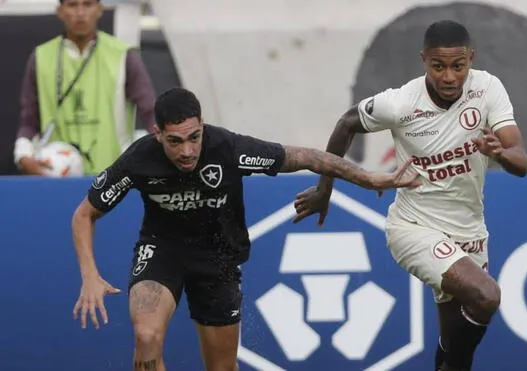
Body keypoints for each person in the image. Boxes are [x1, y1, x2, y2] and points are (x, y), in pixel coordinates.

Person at [70, 87, 420, 371]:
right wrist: (89, 275)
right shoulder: (139, 159)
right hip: (163, 251)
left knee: (221, 368)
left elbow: (309, 157)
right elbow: (84, 215)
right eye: (175, 141)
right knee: (146, 336)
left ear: (203, 125)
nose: (188, 151)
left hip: (218, 257)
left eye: (194, 137)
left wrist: (367, 177)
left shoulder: (228, 149)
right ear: (157, 133)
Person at [293, 20, 527, 371]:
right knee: (486, 296)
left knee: (454, 344)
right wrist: (324, 189)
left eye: (458, 66)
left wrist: (499, 154)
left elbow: (521, 162)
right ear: (424, 61)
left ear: (471, 60)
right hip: (413, 227)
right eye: (438, 66)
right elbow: (346, 123)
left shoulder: (488, 89)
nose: (449, 77)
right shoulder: (400, 103)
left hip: (470, 231)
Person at [14, 0, 156, 176]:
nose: (80, 12)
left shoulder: (123, 55)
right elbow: (29, 120)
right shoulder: (41, 57)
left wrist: (163, 148)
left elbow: (150, 113)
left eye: (87, 4)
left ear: (99, 9)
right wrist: (23, 156)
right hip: (59, 177)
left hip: (113, 178)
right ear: (60, 11)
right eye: (72, 5)